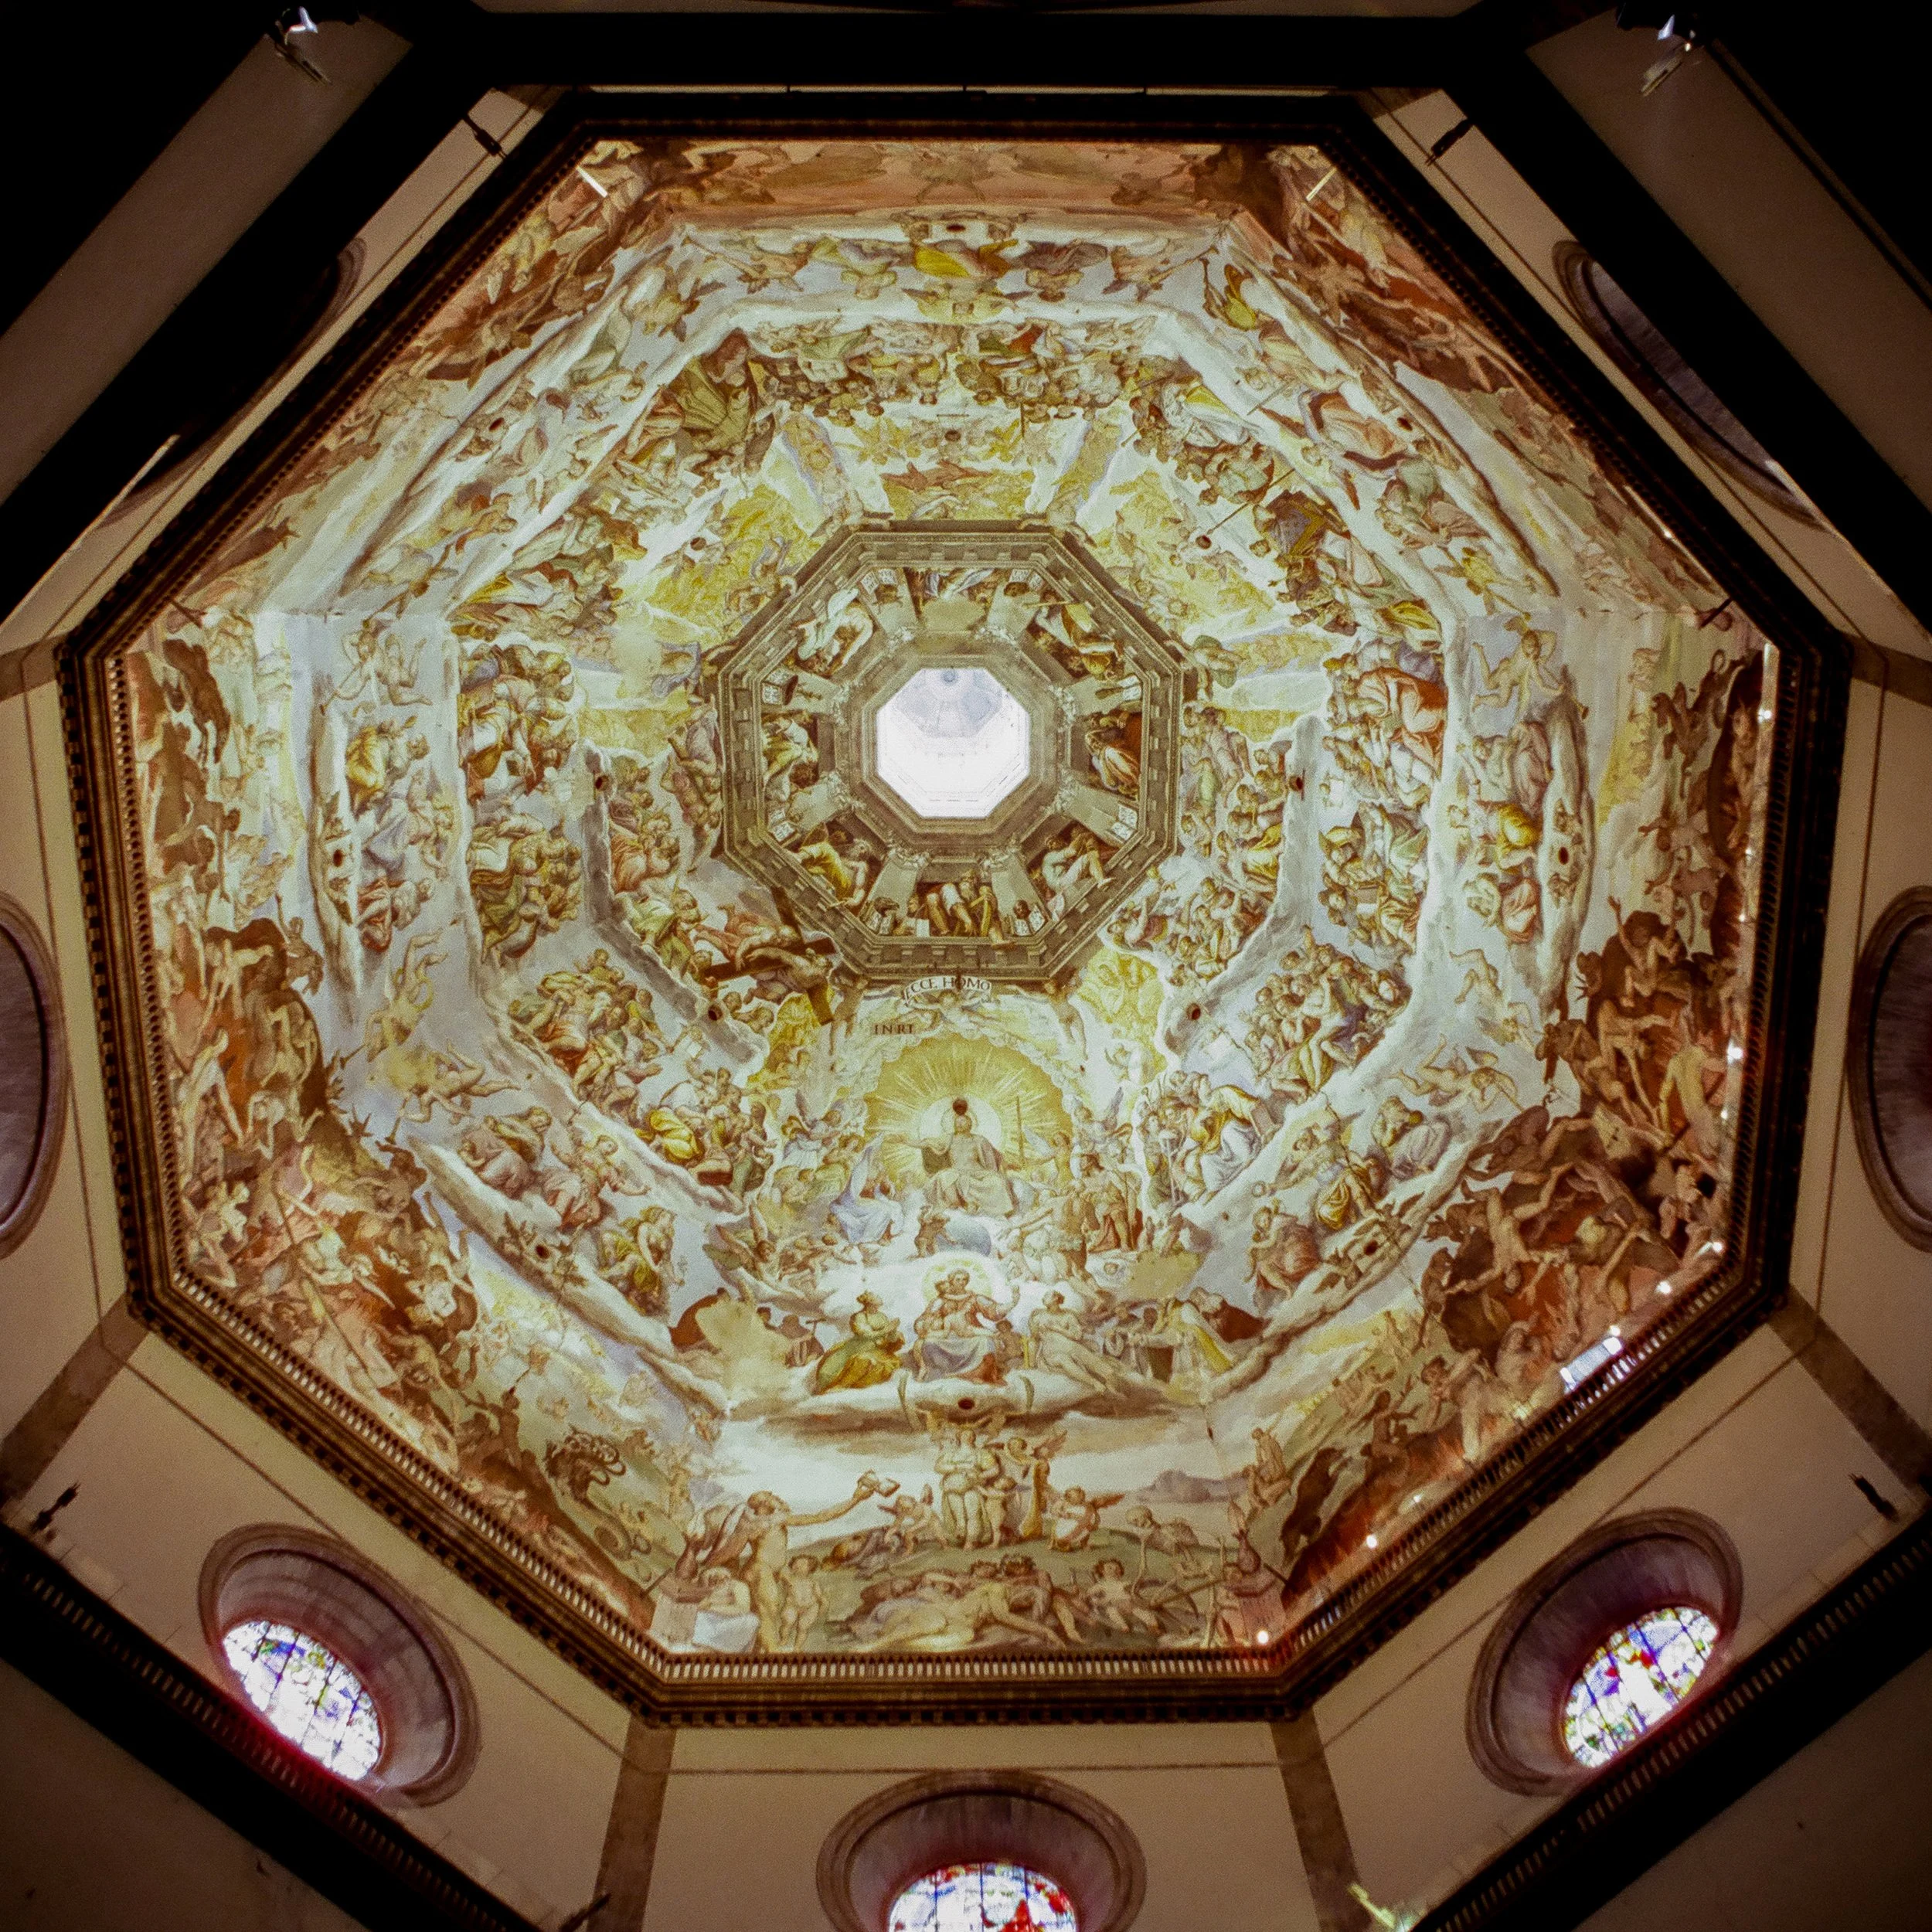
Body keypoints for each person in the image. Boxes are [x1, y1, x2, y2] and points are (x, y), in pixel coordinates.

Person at [813, 1291, 903, 1393]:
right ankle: (823, 1388)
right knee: (827, 1371)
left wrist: (894, 1329)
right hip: (855, 1347)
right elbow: (866, 1335)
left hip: (875, 1349)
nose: (879, 1296)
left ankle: (841, 1386)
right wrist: (887, 1330)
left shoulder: (882, 1317)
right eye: (875, 1296)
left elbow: (891, 1339)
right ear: (870, 1302)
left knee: (863, 1361)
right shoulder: (859, 1316)